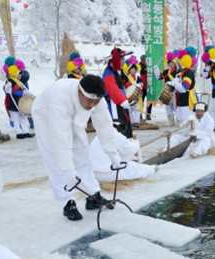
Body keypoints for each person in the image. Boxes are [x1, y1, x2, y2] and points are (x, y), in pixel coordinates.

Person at [30, 74, 122, 221]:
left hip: (73, 115)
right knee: (54, 156)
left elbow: (104, 124)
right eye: (90, 101)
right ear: (80, 92)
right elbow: (60, 138)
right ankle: (67, 202)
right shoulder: (59, 100)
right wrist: (67, 170)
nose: (93, 105)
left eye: (96, 101)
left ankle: (92, 195)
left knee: (82, 151)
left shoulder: (96, 98)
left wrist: (112, 153)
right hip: (46, 115)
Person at [89, 121, 155, 182]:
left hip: (93, 174)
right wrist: (136, 143)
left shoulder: (98, 136)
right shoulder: (116, 135)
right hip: (106, 174)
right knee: (141, 169)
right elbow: (130, 150)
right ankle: (154, 169)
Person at [102, 47, 133, 138]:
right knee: (118, 125)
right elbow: (112, 89)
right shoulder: (108, 72)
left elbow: (126, 82)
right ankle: (119, 145)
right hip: (114, 103)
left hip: (122, 102)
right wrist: (122, 100)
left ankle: (126, 142)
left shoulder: (119, 71)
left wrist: (133, 89)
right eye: (122, 59)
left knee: (125, 124)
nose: (124, 61)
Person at [2, 57, 33, 139]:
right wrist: (9, 88)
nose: (20, 75)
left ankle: (26, 132)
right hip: (13, 103)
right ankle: (19, 133)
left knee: (23, 118)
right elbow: (7, 91)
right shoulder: (9, 81)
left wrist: (26, 93)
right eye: (19, 73)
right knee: (16, 119)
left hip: (20, 102)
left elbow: (24, 89)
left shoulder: (18, 81)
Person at [169, 48, 198, 125]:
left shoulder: (188, 73)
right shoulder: (185, 72)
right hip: (183, 99)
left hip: (187, 100)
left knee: (186, 120)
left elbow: (185, 87)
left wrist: (174, 84)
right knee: (183, 119)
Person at [153, 52, 178, 125]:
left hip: (175, 91)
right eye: (169, 63)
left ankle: (179, 121)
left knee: (175, 106)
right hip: (167, 91)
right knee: (168, 107)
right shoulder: (167, 71)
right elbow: (159, 77)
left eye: (172, 62)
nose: (170, 64)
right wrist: (156, 69)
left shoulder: (178, 71)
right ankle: (171, 122)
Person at [123, 57, 143, 128]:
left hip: (136, 96)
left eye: (134, 69)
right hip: (129, 96)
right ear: (129, 69)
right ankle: (131, 122)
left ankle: (136, 122)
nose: (133, 70)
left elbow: (141, 84)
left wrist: (139, 85)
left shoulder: (137, 77)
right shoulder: (126, 77)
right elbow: (125, 85)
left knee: (137, 109)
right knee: (130, 109)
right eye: (132, 69)